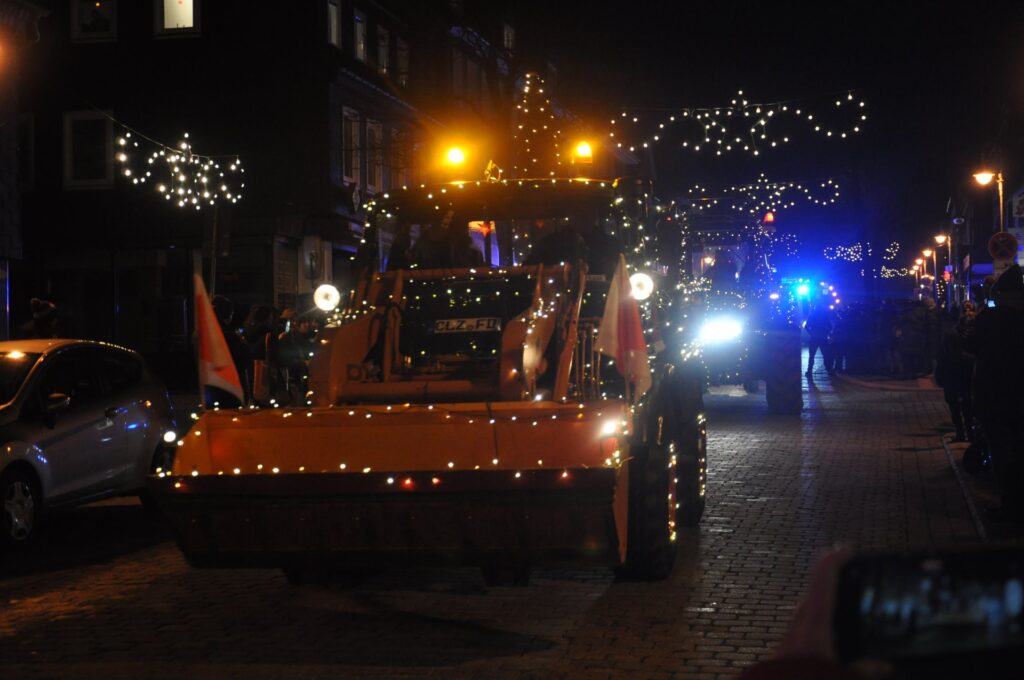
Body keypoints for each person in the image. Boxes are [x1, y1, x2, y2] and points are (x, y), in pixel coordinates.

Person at [965, 264, 1024, 520]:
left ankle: (1010, 507)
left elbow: (970, 345)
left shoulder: (992, 318)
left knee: (1003, 453)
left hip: (997, 397)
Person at [935, 303, 975, 442]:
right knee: (962, 408)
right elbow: (945, 358)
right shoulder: (954, 339)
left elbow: (944, 358)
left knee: (963, 408)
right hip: (959, 377)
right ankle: (964, 433)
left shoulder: (958, 338)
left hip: (960, 377)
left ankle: (965, 433)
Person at [804, 299, 833, 377]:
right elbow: (830, 326)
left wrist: (811, 333)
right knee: (826, 355)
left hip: (814, 337)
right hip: (823, 337)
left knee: (812, 356)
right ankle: (829, 370)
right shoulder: (824, 316)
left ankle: (809, 371)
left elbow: (806, 327)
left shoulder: (812, 315)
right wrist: (826, 333)